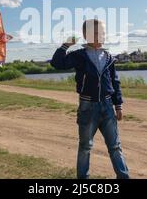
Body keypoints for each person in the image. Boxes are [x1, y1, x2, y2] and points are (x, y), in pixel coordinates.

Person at [50, 19, 130, 179]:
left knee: (115, 146)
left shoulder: (109, 57)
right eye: (95, 33)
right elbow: (57, 63)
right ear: (86, 36)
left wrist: (118, 105)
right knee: (85, 147)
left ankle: (124, 177)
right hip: (87, 107)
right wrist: (65, 45)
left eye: (102, 33)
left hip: (107, 106)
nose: (100, 36)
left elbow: (115, 82)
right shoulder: (79, 55)